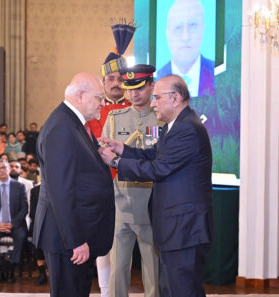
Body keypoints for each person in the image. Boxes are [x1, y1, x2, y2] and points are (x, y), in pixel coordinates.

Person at [99, 75, 214, 297]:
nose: (152, 103)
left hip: (185, 229)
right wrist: (121, 148)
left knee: (183, 290)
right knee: (170, 288)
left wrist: (115, 162)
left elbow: (158, 169)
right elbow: (152, 155)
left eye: (157, 98)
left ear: (175, 98)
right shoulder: (177, 125)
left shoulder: (187, 129)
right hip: (177, 227)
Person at [33, 72, 115, 297]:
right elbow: (61, 191)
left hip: (75, 236)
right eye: (99, 97)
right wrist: (76, 241)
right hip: (68, 240)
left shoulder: (73, 124)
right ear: (81, 95)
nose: (103, 103)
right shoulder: (62, 128)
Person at [102, 64, 160, 297]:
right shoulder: (116, 118)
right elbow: (104, 157)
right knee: (117, 267)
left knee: (152, 268)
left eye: (139, 88)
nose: (133, 94)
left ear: (151, 86)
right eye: (129, 88)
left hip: (150, 202)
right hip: (121, 201)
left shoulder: (161, 119)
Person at [89, 20, 135, 297]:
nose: (116, 84)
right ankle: (106, 291)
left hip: (132, 185)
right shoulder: (91, 110)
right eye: (111, 79)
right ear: (103, 81)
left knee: (127, 244)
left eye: (121, 79)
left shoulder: (136, 108)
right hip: (102, 186)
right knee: (103, 243)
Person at [0, 159, 28, 284]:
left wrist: (13, 224)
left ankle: (12, 269)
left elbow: (24, 208)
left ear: (8, 169)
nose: (2, 170)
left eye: (4, 167)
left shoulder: (19, 186)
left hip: (15, 225)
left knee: (21, 235)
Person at [157, 0, 214, 97]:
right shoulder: (156, 78)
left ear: (202, 29)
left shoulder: (216, 73)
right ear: (168, 35)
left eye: (192, 25)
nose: (185, 37)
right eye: (178, 28)